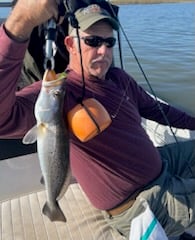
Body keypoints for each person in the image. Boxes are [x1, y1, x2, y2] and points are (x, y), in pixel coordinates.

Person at [0, 0, 195, 238]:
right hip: (140, 205)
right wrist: (20, 24)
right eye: (93, 41)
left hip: (162, 166)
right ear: (71, 44)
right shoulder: (59, 92)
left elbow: (155, 110)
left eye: (109, 42)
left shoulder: (119, 78)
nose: (103, 50)